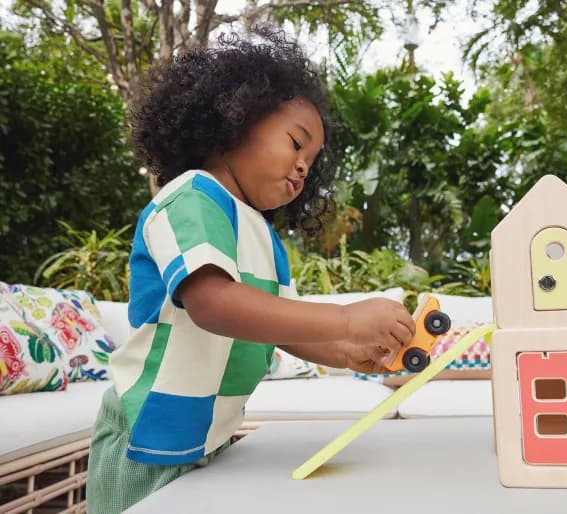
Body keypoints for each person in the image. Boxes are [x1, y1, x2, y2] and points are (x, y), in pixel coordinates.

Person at [86, 28, 415, 513]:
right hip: (148, 434)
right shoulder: (191, 197)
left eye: (313, 161)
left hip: (207, 436)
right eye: (296, 143)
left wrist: (343, 352)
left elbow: (270, 324)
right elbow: (214, 304)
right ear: (235, 119)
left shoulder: (259, 233)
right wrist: (345, 320)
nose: (304, 167)